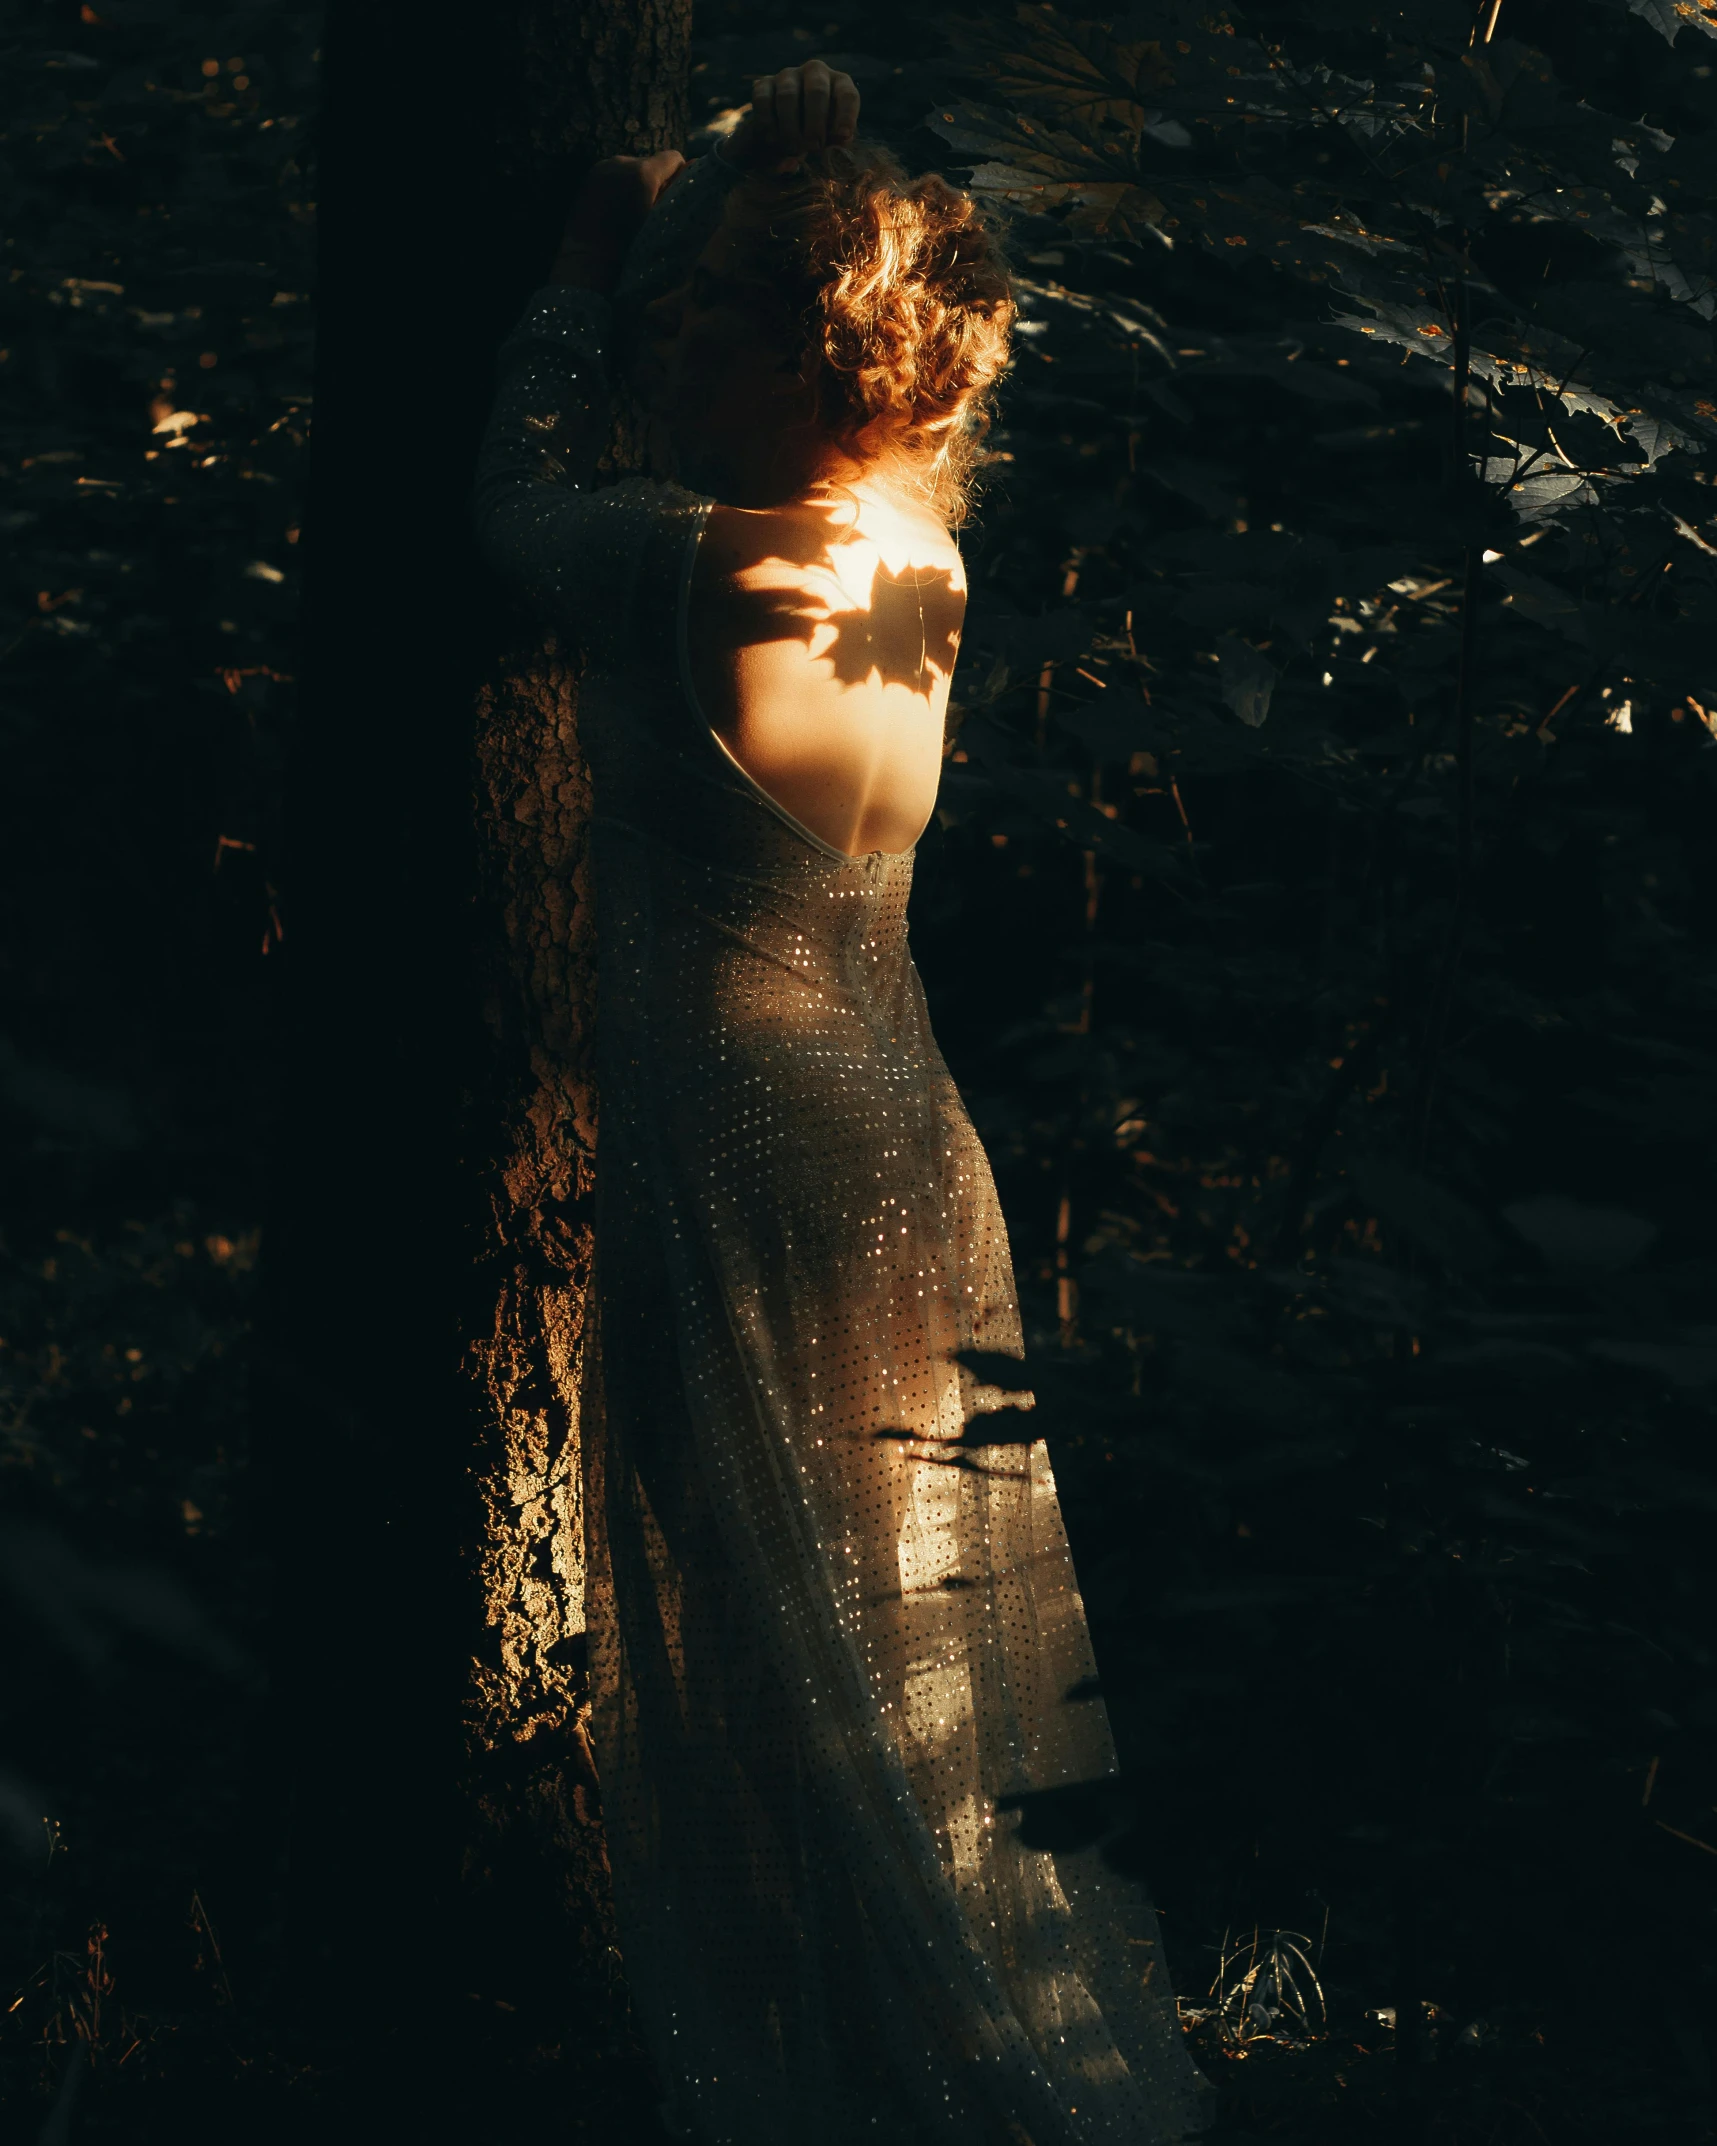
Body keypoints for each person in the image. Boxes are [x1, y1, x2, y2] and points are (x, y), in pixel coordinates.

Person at [473, 61, 1214, 2146]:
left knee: (794, 1669)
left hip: (752, 1155)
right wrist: (759, 170)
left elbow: (507, 503)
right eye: (667, 309)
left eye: (711, 313)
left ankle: (845, 2082)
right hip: (900, 1140)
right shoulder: (910, 561)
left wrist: (575, 269)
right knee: (892, 1659)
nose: (657, 345)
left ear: (814, 349)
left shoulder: (709, 569)